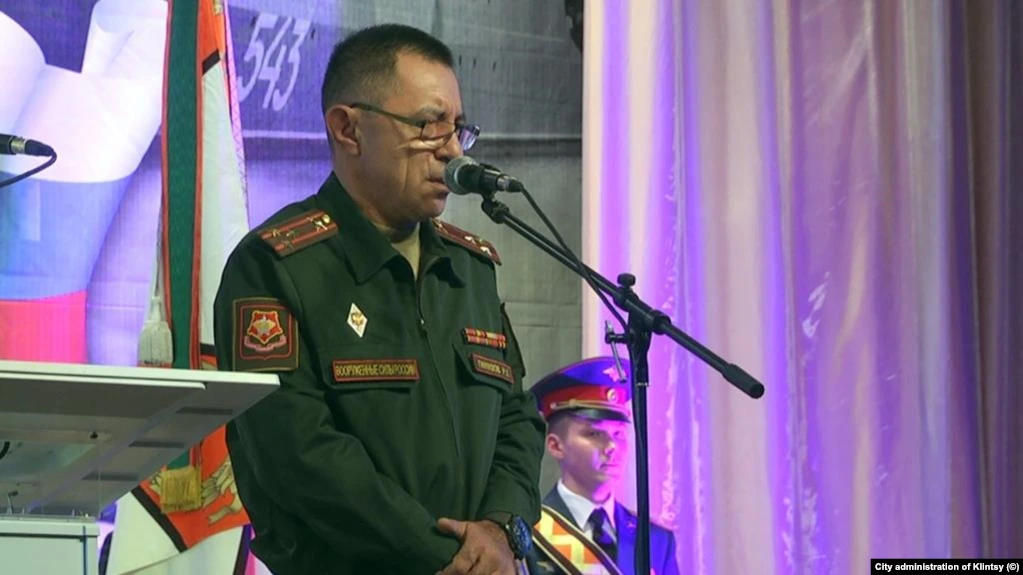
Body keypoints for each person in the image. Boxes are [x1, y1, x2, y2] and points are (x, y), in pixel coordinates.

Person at [212, 24, 546, 575]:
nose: (452, 150)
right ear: (348, 129)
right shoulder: (276, 266)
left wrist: (499, 529)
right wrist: (446, 557)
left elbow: (517, 419)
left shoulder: (469, 269)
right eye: (427, 126)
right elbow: (298, 456)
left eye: (458, 128)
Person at [528, 357, 679, 575]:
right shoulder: (528, 536)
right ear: (556, 446)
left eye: (618, 433)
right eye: (594, 433)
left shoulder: (655, 541)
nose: (611, 446)